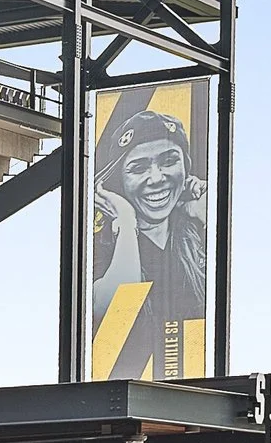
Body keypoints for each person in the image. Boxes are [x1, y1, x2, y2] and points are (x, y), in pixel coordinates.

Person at [89, 107, 210, 379]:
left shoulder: (194, 235)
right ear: (118, 181)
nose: (156, 178)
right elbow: (116, 309)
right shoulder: (103, 246)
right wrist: (127, 220)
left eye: (169, 161)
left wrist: (203, 213)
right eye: (139, 167)